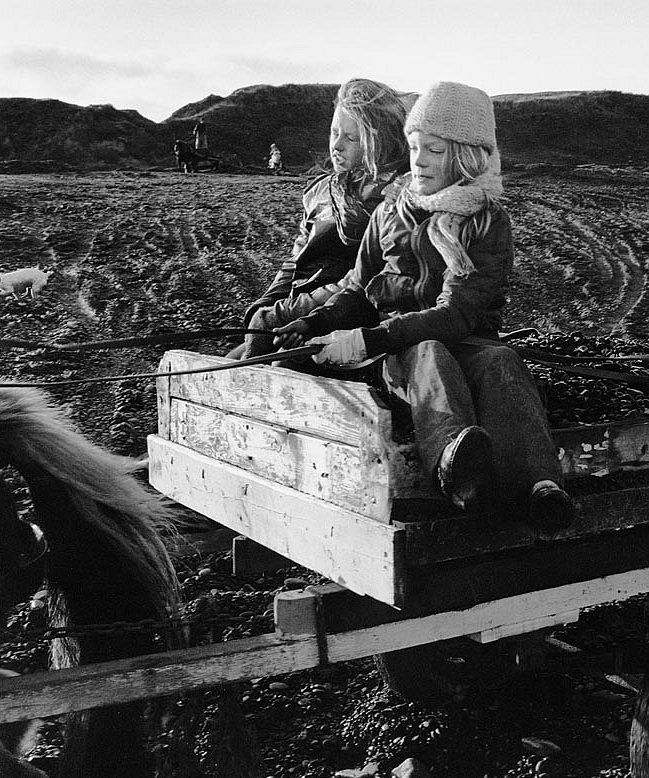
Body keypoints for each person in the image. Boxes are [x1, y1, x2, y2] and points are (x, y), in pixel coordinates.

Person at [270, 81, 574, 535]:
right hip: (401, 352)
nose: (419, 160)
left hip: (465, 341)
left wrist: (366, 338)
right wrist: (317, 321)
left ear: (467, 157)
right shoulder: (390, 213)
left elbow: (458, 313)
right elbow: (357, 288)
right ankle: (456, 466)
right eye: (415, 148)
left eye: (434, 150)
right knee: (429, 351)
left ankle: (541, 487)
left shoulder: (486, 221)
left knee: (502, 361)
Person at [235, 78, 409, 359]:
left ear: (379, 141)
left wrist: (287, 314)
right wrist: (266, 303)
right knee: (228, 360)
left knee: (264, 352)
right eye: (334, 133)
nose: (337, 145)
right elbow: (296, 260)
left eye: (351, 138)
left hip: (350, 309)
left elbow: (366, 278)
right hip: (301, 305)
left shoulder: (394, 197)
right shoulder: (319, 191)